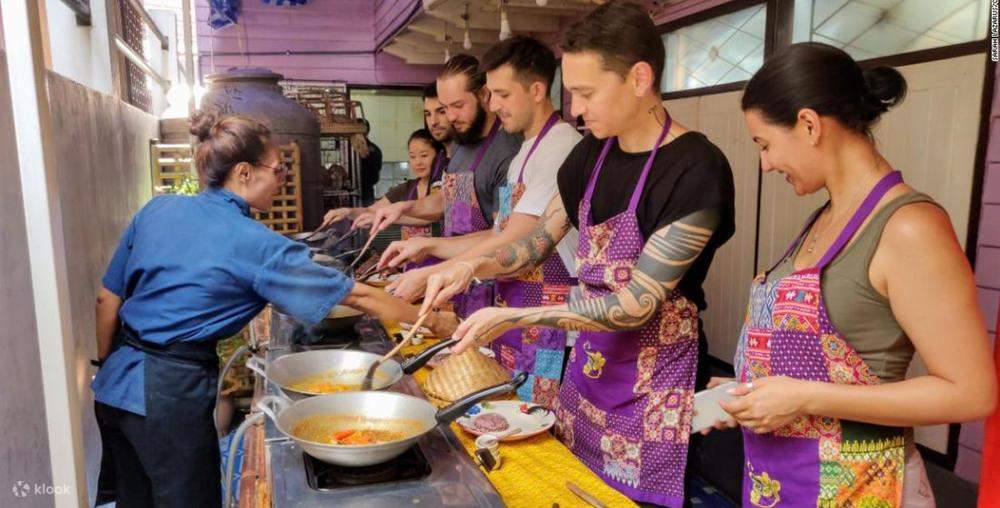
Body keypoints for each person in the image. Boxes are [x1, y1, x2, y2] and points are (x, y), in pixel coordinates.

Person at [417, 3, 735, 505]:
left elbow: (636, 305)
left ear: (639, 77)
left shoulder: (695, 169)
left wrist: (517, 314)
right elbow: (537, 242)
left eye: (587, 93)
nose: (578, 109)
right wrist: (468, 267)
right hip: (588, 374)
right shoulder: (591, 154)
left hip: (655, 387)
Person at [90, 112, 452, 507]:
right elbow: (359, 297)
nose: (282, 180)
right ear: (244, 172)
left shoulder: (157, 210)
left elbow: (107, 300)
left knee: (132, 500)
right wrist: (434, 321)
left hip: (113, 387)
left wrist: (114, 367)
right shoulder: (253, 242)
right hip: (168, 395)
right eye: (278, 170)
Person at [700, 42, 996, 507]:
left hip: (861, 486)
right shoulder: (824, 217)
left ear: (809, 125)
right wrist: (751, 390)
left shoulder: (909, 227)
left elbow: (970, 394)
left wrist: (802, 397)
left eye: (765, 144)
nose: (766, 163)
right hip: (781, 481)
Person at [377, 36, 582, 405]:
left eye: (502, 94)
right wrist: (429, 246)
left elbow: (519, 236)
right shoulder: (525, 151)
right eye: (491, 93)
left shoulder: (561, 146)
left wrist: (440, 272)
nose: (493, 104)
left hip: (549, 315)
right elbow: (498, 231)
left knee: (536, 420)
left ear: (536, 90)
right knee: (506, 411)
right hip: (514, 305)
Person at [365, 54, 522, 318]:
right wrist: (405, 206)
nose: (449, 116)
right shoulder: (462, 145)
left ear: (484, 95)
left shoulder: (508, 153)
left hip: (495, 287)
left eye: (458, 105)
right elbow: (448, 200)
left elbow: (503, 235)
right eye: (445, 107)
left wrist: (428, 245)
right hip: (458, 283)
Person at [320, 129, 445, 239]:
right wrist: (347, 212)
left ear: (439, 156)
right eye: (412, 157)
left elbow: (429, 218)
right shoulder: (406, 189)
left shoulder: (444, 187)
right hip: (412, 261)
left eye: (424, 155)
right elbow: (370, 210)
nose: (418, 162)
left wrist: (385, 217)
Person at [355, 119, 383, 206]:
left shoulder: (372, 150)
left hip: (364, 194)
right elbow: (376, 177)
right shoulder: (376, 149)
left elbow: (374, 175)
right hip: (367, 192)